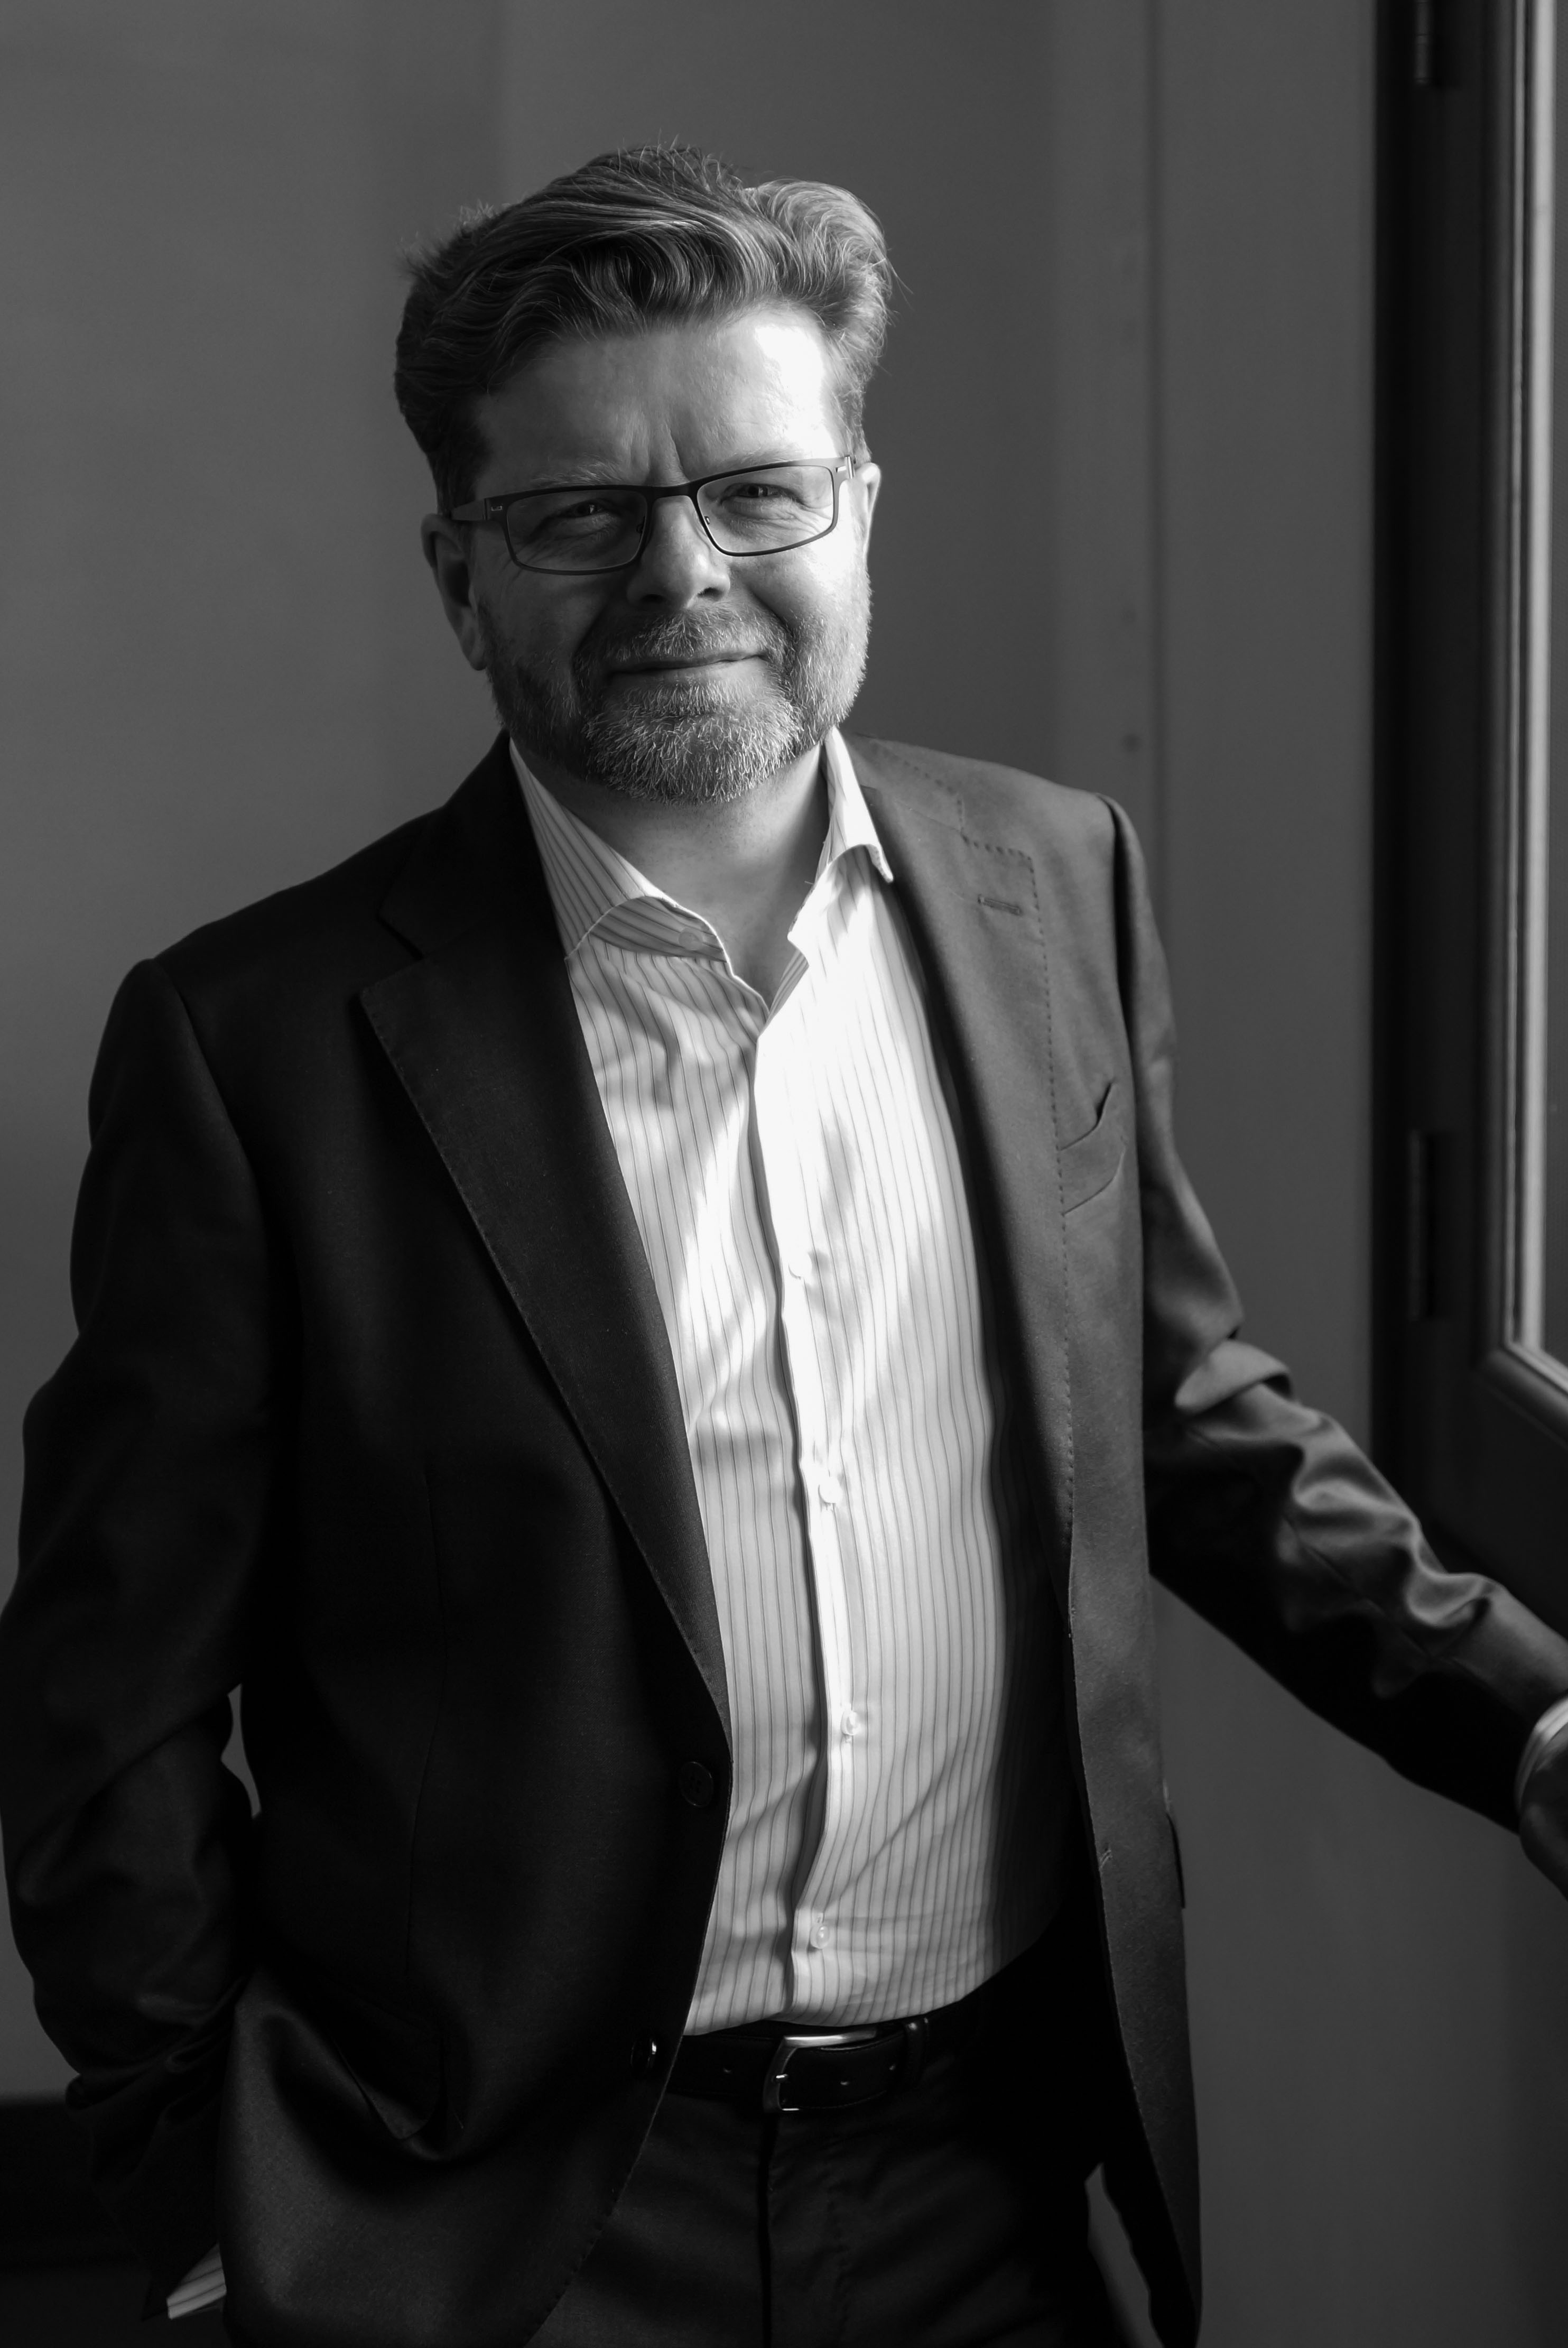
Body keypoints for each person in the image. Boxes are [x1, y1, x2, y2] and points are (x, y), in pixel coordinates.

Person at [3, 143, 1567, 2348]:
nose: (687, 571)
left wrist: (1530, 1719)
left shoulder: (1057, 885)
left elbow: (1176, 1412)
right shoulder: (249, 1046)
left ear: (856, 507)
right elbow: (108, 1699)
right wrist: (201, 2178)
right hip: (497, 2215)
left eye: (756, 491)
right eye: (580, 515)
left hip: (994, 2173)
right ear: (461, 575)